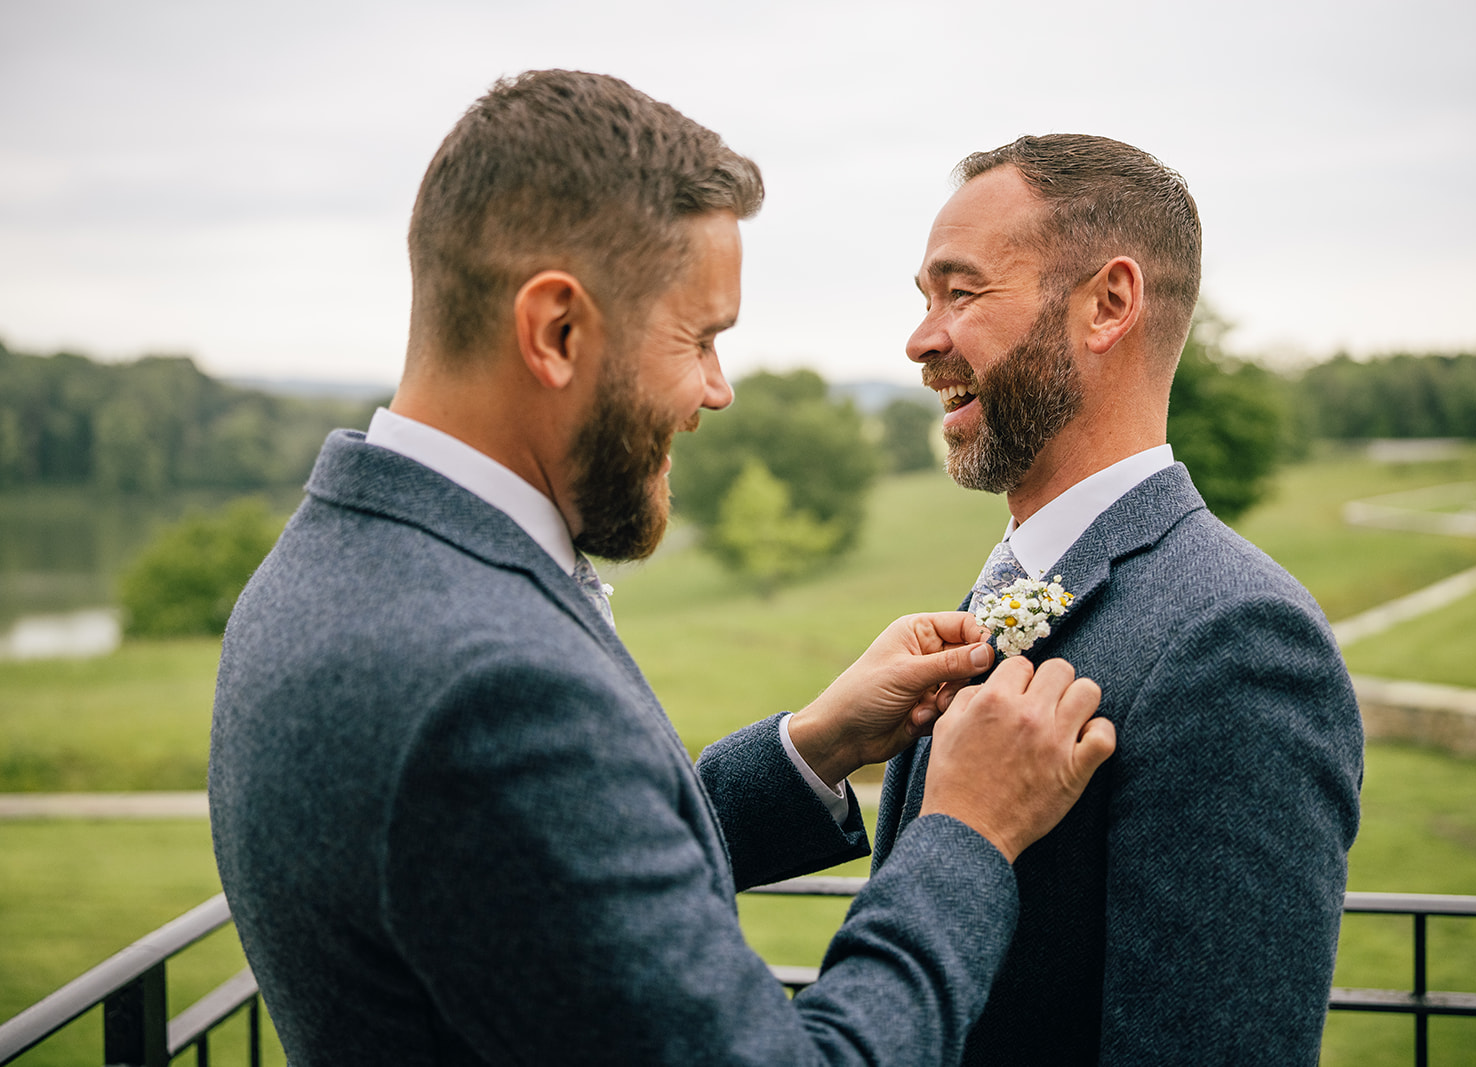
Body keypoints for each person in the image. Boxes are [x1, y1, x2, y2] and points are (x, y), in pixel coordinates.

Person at [208, 71, 1116, 1066]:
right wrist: (966, 830)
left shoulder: (338, 562)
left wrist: (811, 745)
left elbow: (546, 889)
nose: (714, 391)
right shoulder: (482, 681)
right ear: (557, 331)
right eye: (701, 338)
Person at [872, 135, 1365, 1064]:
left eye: (962, 292)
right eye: (924, 299)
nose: (921, 339)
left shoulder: (1239, 640)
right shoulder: (1005, 584)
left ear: (1109, 305)